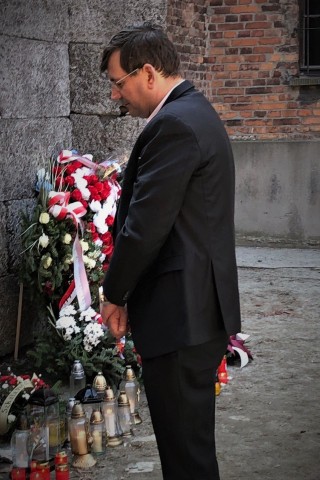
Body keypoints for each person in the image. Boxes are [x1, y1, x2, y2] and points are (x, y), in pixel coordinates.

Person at [100, 22, 241, 480]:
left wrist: (115, 293)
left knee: (187, 459)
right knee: (191, 449)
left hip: (181, 316)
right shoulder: (195, 113)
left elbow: (145, 227)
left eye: (118, 84)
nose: (116, 97)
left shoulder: (175, 124)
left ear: (147, 73)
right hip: (195, 310)